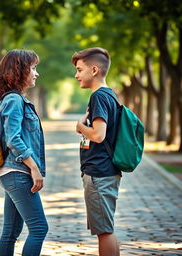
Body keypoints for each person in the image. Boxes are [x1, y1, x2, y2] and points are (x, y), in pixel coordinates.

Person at [0, 49, 48, 256]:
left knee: (10, 232)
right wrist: (34, 168)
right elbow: (13, 137)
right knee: (40, 228)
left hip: (10, 173)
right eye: (33, 68)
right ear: (20, 70)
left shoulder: (11, 99)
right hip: (18, 173)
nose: (36, 73)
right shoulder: (14, 100)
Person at [71, 47, 121, 256]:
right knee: (106, 229)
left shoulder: (99, 97)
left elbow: (98, 135)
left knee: (104, 231)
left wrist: (80, 126)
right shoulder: (109, 95)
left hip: (99, 172)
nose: (76, 75)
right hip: (106, 170)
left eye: (79, 70)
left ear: (93, 70)